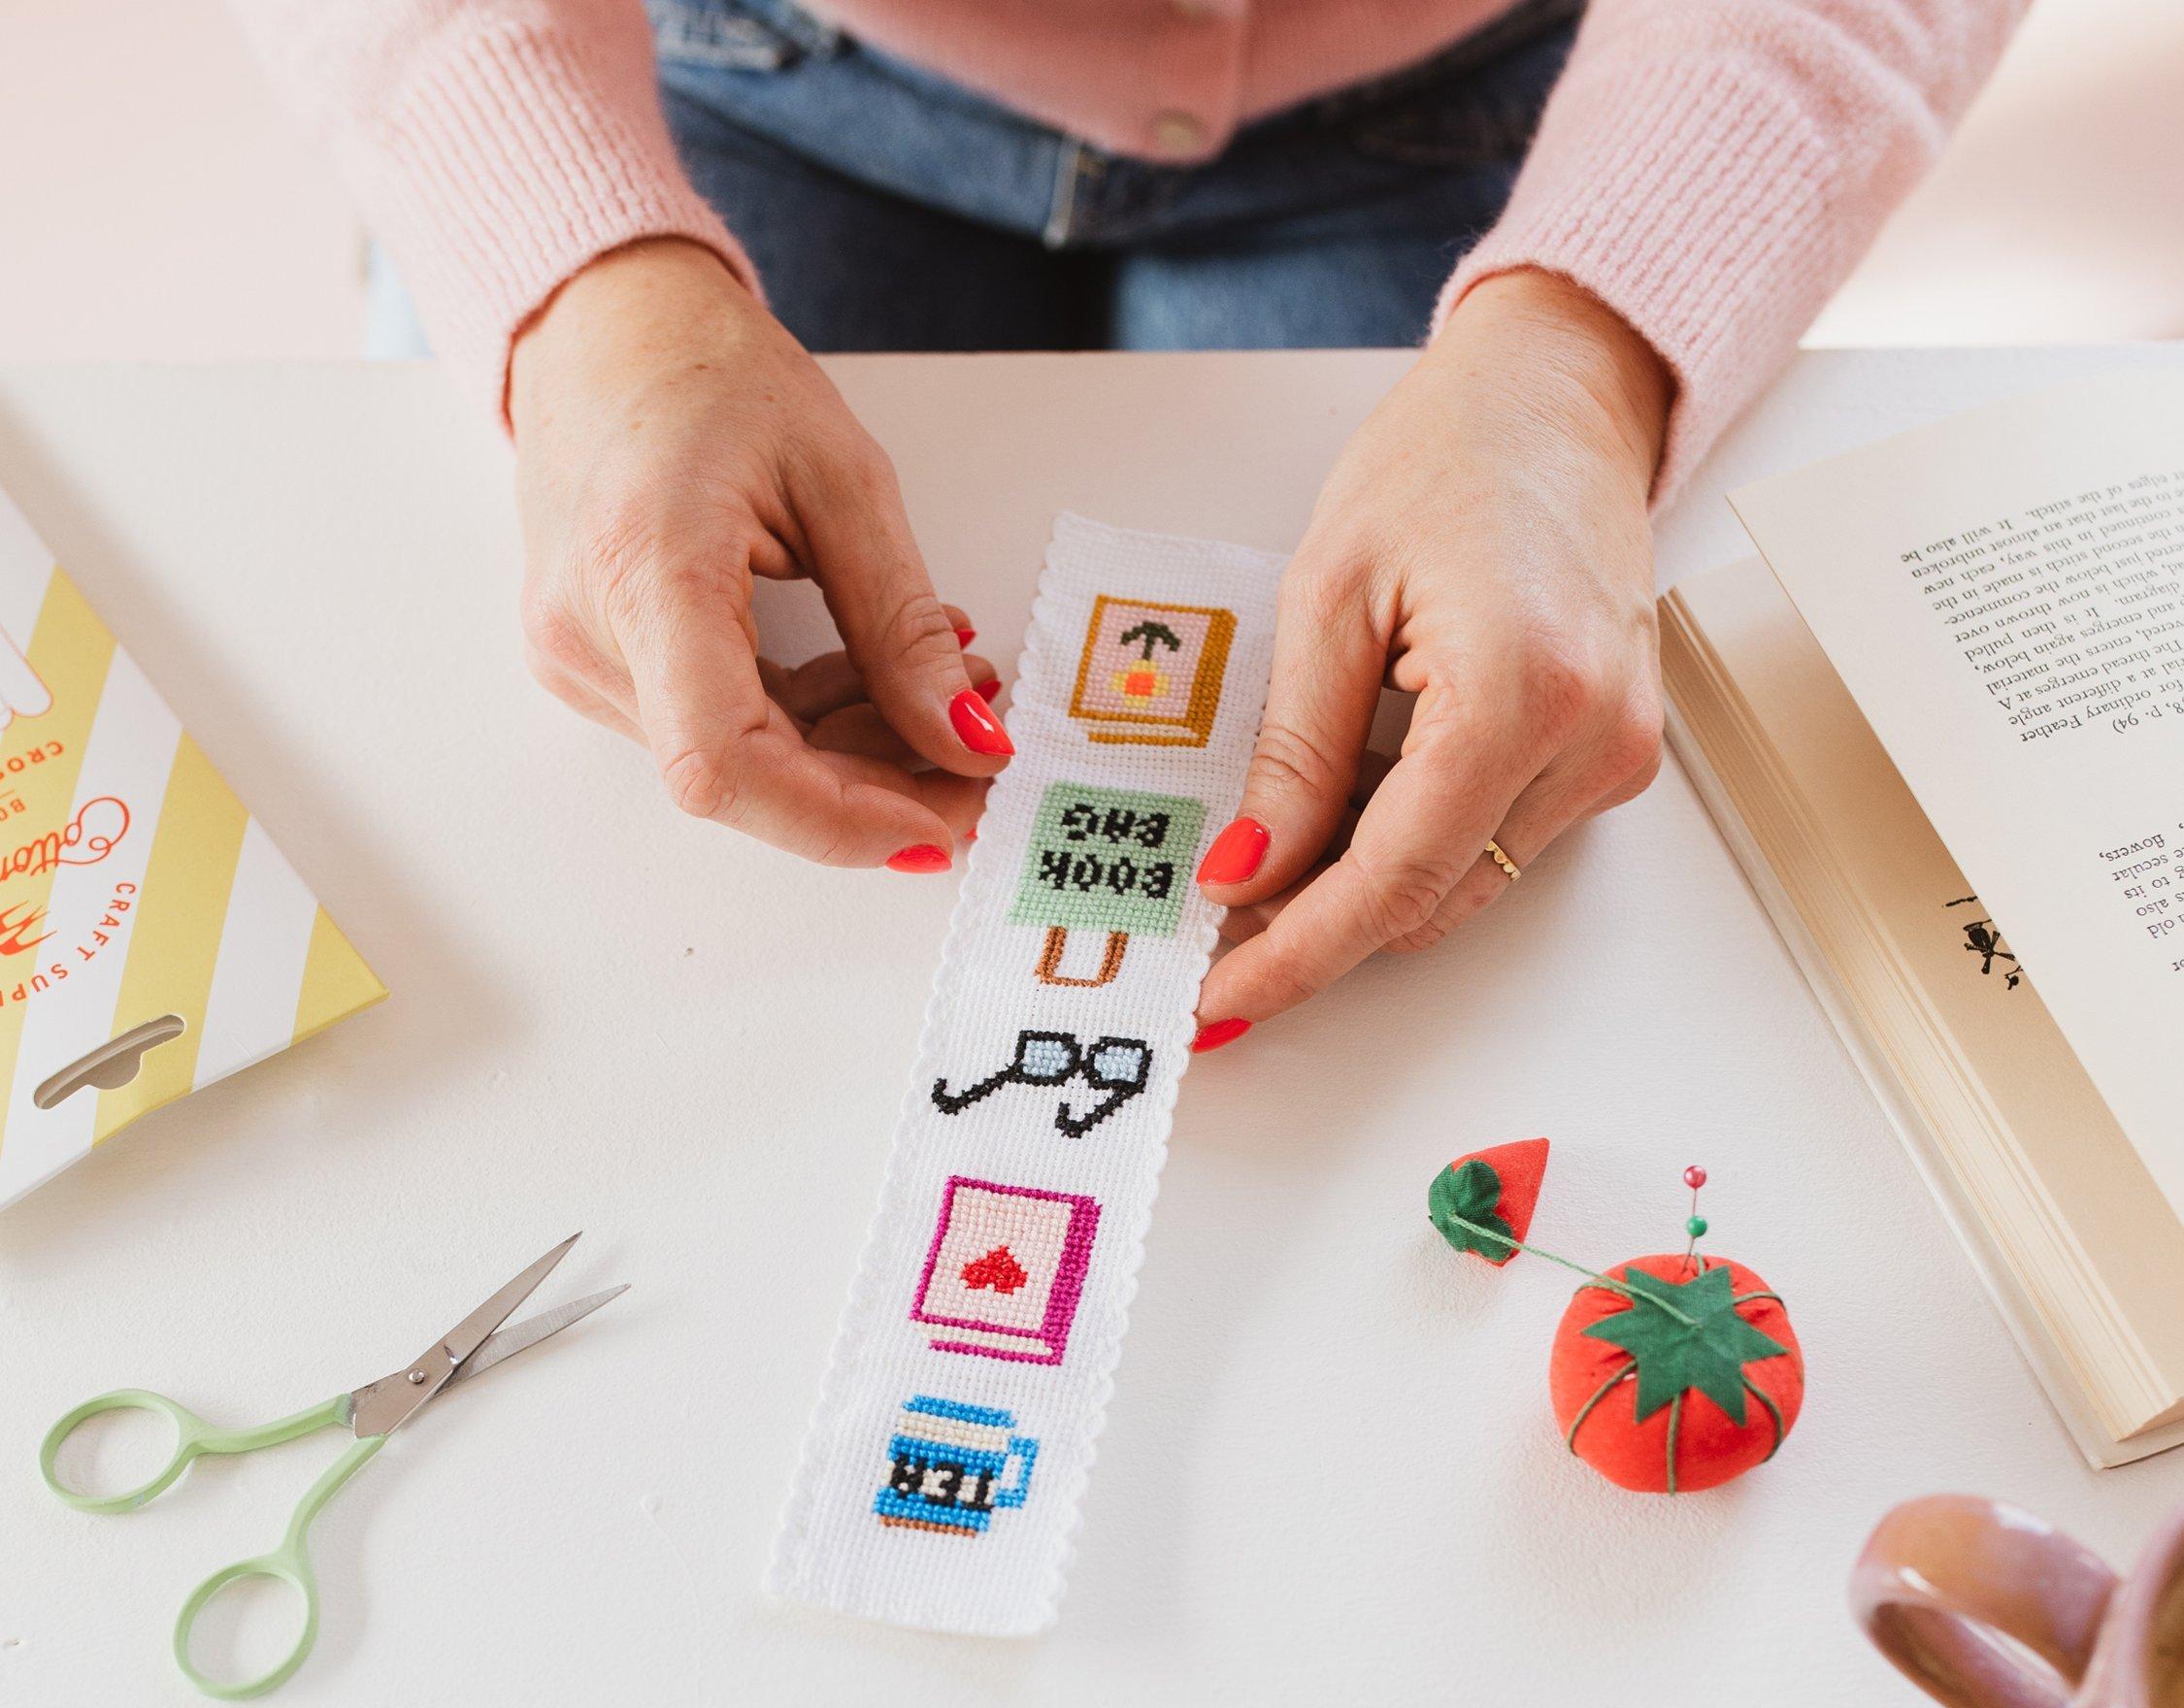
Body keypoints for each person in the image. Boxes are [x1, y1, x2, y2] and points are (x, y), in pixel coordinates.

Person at [236, 0, 2024, 1035]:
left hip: (1518, 91)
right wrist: (572, 281)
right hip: (705, 66)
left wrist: (1584, 356)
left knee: (1444, 821)